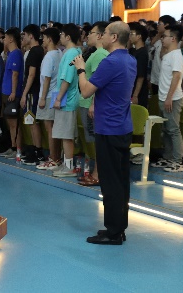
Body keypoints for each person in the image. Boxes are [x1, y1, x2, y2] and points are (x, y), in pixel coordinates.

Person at [73, 21, 136, 245]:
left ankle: (113, 232)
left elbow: (86, 90)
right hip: (122, 126)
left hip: (109, 127)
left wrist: (81, 68)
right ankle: (118, 227)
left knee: (110, 183)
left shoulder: (111, 62)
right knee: (120, 181)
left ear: (114, 37)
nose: (102, 36)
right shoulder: (130, 59)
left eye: (105, 33)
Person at [77, 21, 109, 185]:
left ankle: (98, 174)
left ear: (99, 36)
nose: (87, 36)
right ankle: (95, 172)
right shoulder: (95, 53)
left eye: (91, 33)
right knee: (93, 141)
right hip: (86, 102)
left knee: (97, 141)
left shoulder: (100, 54)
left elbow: (98, 83)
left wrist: (93, 104)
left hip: (91, 103)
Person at [150, 25, 183, 172]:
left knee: (173, 130)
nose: (162, 38)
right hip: (164, 97)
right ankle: (168, 157)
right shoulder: (168, 55)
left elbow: (176, 77)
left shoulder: (176, 55)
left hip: (172, 99)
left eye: (164, 36)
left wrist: (169, 97)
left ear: (173, 38)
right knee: (165, 130)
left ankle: (177, 161)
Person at [51, 23, 82, 177]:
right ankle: (66, 163)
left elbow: (67, 79)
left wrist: (58, 98)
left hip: (67, 100)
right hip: (66, 99)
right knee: (64, 133)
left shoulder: (71, 53)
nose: (60, 37)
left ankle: (69, 167)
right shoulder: (71, 52)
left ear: (68, 37)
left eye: (62, 35)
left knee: (67, 135)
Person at [35, 28, 63, 170]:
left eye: (44, 38)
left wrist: (42, 98)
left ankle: (53, 158)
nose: (43, 41)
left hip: (48, 96)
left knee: (50, 129)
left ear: (50, 39)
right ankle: (56, 157)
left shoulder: (49, 57)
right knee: (55, 129)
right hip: (57, 94)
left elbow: (46, 79)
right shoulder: (60, 53)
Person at [19, 24, 44, 165]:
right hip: (33, 91)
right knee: (31, 122)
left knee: (32, 122)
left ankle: (37, 152)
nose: (23, 37)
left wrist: (24, 94)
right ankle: (35, 150)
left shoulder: (35, 52)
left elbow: (31, 74)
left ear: (31, 36)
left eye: (25, 35)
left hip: (31, 93)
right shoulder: (38, 50)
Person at [0, 28, 24, 160]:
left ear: (11, 39)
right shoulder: (10, 53)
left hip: (12, 93)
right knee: (10, 123)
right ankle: (12, 146)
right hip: (6, 92)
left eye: (5, 37)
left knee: (15, 123)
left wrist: (14, 92)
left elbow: (15, 74)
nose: (3, 40)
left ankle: (17, 149)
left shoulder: (16, 54)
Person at [129, 22, 149, 108]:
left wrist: (135, 95)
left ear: (139, 36)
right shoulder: (134, 51)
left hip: (138, 92)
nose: (129, 36)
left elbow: (141, 76)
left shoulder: (142, 53)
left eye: (131, 34)